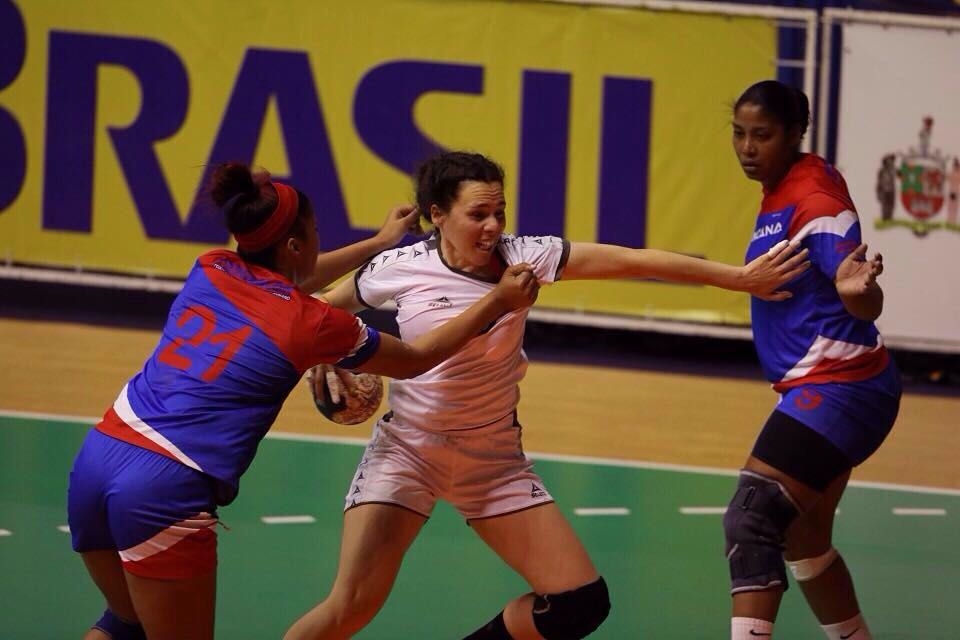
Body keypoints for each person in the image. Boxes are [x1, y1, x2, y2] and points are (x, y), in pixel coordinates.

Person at [283, 151, 811, 640]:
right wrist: (326, 354)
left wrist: (738, 279)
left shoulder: (526, 258)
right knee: (351, 606)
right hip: (408, 452)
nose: (493, 226)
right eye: (478, 214)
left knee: (579, 603)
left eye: (500, 212)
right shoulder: (400, 267)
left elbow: (633, 261)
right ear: (437, 214)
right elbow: (321, 307)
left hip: (491, 459)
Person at [66, 162, 541, 640]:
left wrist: (379, 243)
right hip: (163, 486)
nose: (318, 241)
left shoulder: (212, 267)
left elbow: (293, 279)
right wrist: (497, 301)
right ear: (295, 245)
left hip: (99, 457)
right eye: (315, 233)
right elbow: (418, 358)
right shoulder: (313, 324)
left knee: (124, 626)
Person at [723, 80, 900, 640]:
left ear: (796, 133)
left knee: (751, 519)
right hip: (833, 386)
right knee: (803, 539)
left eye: (763, 135)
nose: (748, 148)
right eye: (739, 133)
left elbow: (860, 291)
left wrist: (857, 290)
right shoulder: (785, 187)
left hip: (842, 386)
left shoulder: (816, 202)